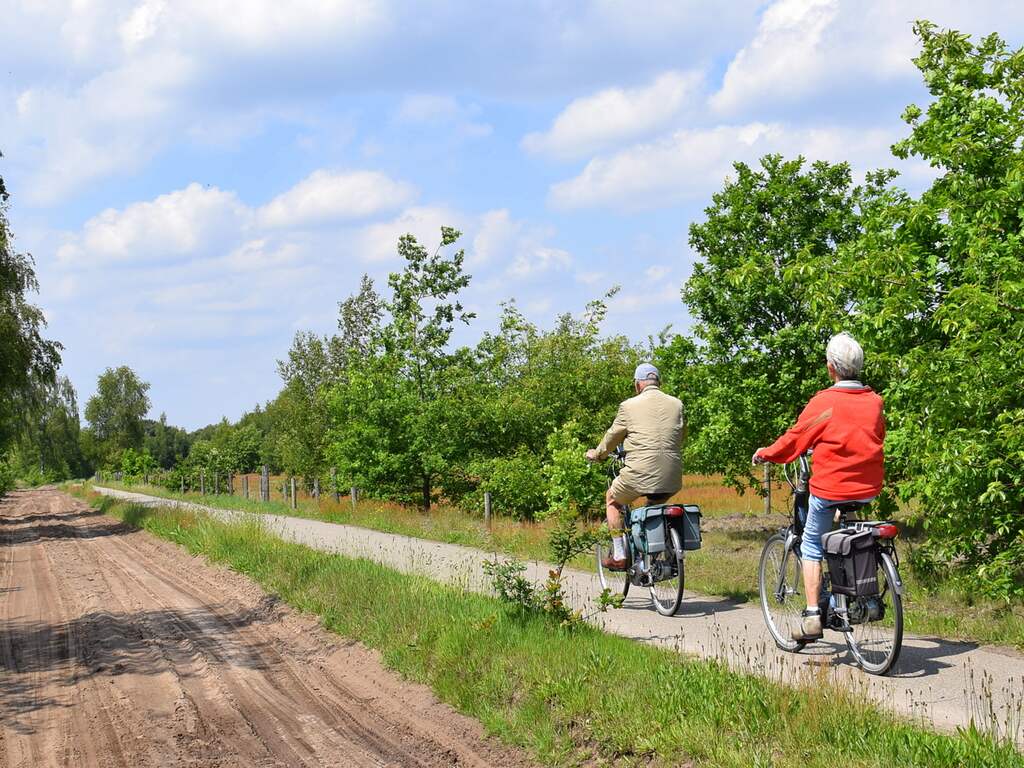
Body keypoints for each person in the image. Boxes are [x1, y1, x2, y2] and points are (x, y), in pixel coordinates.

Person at [752, 332, 885, 642]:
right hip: (868, 487)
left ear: (831, 368)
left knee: (812, 544)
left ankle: (813, 615)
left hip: (831, 488)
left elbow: (794, 441)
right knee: (843, 529)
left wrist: (765, 453)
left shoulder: (824, 402)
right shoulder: (874, 401)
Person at [586, 363, 685, 571]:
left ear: (638, 385)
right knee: (653, 505)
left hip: (639, 473)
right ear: (659, 383)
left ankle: (620, 554)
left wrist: (598, 454)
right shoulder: (677, 404)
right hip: (672, 475)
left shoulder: (629, 406)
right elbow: (681, 435)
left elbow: (613, 436)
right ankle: (651, 551)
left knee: (612, 500)